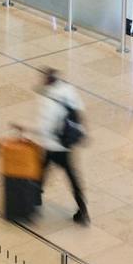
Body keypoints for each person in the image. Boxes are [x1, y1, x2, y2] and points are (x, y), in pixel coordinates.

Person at [32, 69, 88, 224]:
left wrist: (30, 131)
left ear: (47, 81)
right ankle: (82, 210)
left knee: (41, 171)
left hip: (53, 145)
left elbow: (45, 126)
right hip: (67, 143)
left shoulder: (49, 101)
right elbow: (79, 111)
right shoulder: (68, 89)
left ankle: (35, 203)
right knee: (71, 177)